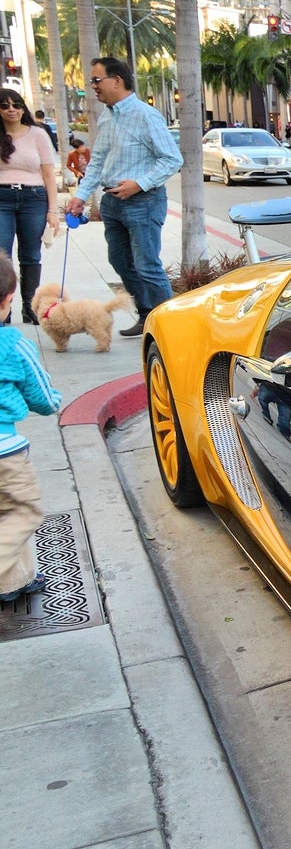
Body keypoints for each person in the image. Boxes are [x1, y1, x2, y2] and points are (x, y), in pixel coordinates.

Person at [64, 56, 183, 338]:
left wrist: (139, 184)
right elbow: (98, 161)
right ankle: (146, 314)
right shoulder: (107, 116)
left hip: (143, 202)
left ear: (116, 80)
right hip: (113, 203)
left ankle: (173, 329)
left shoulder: (145, 115)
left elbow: (172, 158)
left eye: (96, 80)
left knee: (147, 265)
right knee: (119, 261)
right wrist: (81, 196)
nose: (93, 86)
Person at [0, 258, 62, 603]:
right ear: (9, 299)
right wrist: (52, 402)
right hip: (5, 453)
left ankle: (14, 581)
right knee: (22, 512)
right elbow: (41, 395)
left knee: (3, 515)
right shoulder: (10, 343)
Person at [0, 88, 62, 326]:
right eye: (5, 106)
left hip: (34, 198)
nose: (12, 110)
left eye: (16, 104)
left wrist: (52, 211)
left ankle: (30, 307)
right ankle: (3, 312)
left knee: (31, 255)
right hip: (2, 197)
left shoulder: (37, 134)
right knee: (2, 257)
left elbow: (48, 175)